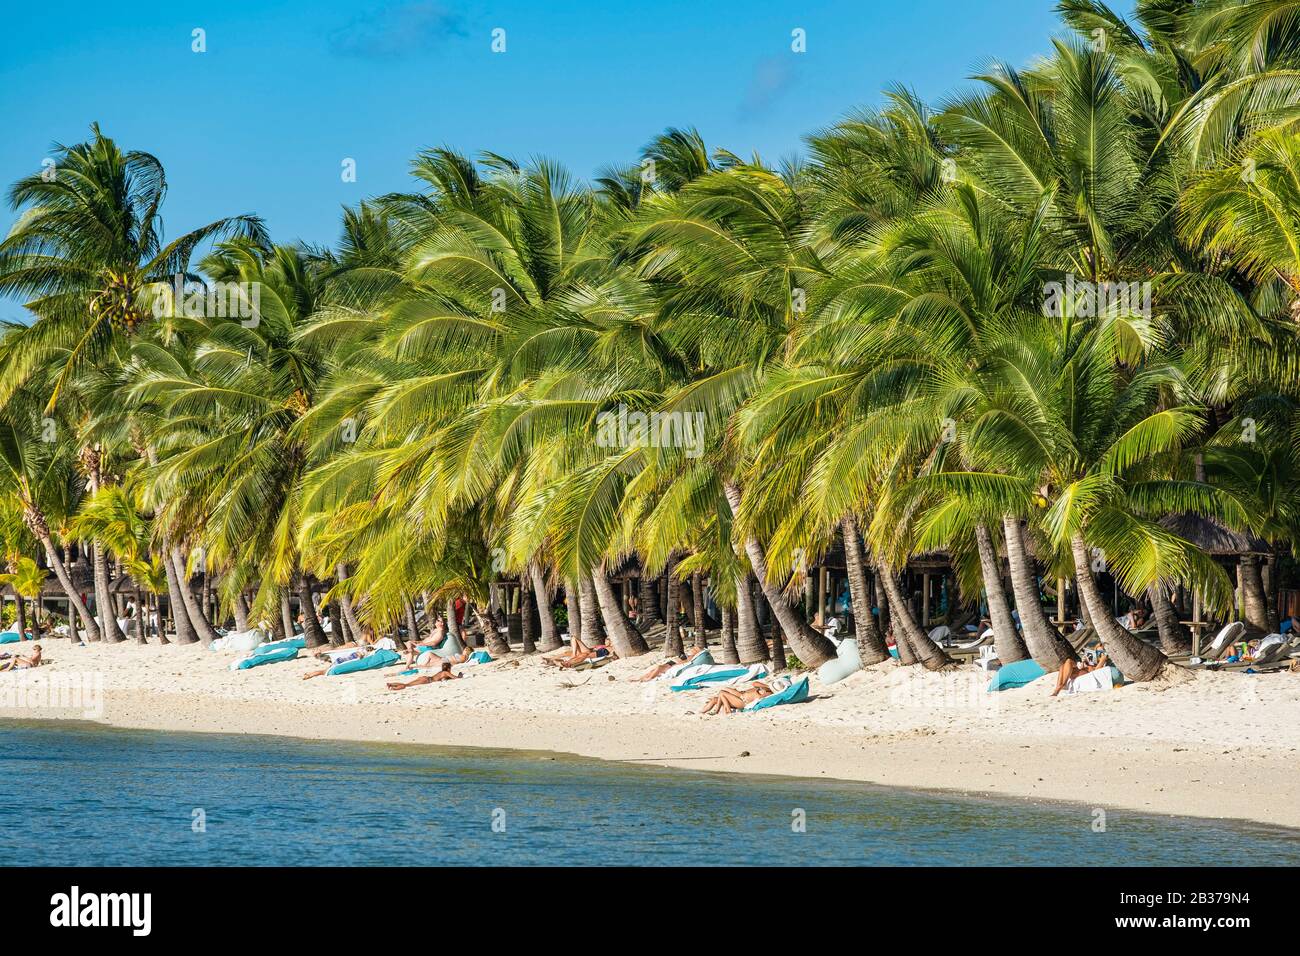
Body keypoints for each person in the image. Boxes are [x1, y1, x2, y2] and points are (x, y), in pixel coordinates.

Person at [630, 643, 708, 682]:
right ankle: (642, 678)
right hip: (673, 663)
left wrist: (678, 663)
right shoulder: (692, 655)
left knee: (658, 668)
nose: (693, 649)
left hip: (673, 665)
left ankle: (648, 678)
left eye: (694, 649)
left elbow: (686, 662)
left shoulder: (693, 658)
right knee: (654, 669)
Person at [1050, 650, 1114, 697]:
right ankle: (1059, 686)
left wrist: (1102, 660)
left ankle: (1058, 688)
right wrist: (1085, 662)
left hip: (1086, 673)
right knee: (1062, 666)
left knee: (1069, 661)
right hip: (1083, 670)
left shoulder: (1100, 665)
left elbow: (1096, 672)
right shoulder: (1091, 664)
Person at [700, 681, 773, 715]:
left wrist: (763, 691)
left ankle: (722, 710)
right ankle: (701, 712)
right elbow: (754, 683)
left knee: (722, 693)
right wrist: (768, 686)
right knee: (714, 699)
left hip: (742, 702)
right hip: (740, 696)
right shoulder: (765, 688)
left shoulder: (769, 694)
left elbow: (759, 699)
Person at [542, 635, 614, 668]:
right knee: (568, 650)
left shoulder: (611, 647)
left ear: (612, 641)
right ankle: (550, 659)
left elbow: (612, 653)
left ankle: (567, 663)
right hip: (590, 650)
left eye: (608, 639)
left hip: (598, 653)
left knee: (583, 655)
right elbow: (591, 648)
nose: (606, 640)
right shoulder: (602, 645)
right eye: (606, 639)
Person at [387, 660, 461, 691]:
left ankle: (391, 684)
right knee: (407, 685)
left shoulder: (441, 672)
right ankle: (394, 688)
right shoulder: (446, 672)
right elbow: (455, 678)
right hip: (427, 680)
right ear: (449, 668)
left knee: (408, 683)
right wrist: (460, 675)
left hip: (425, 678)